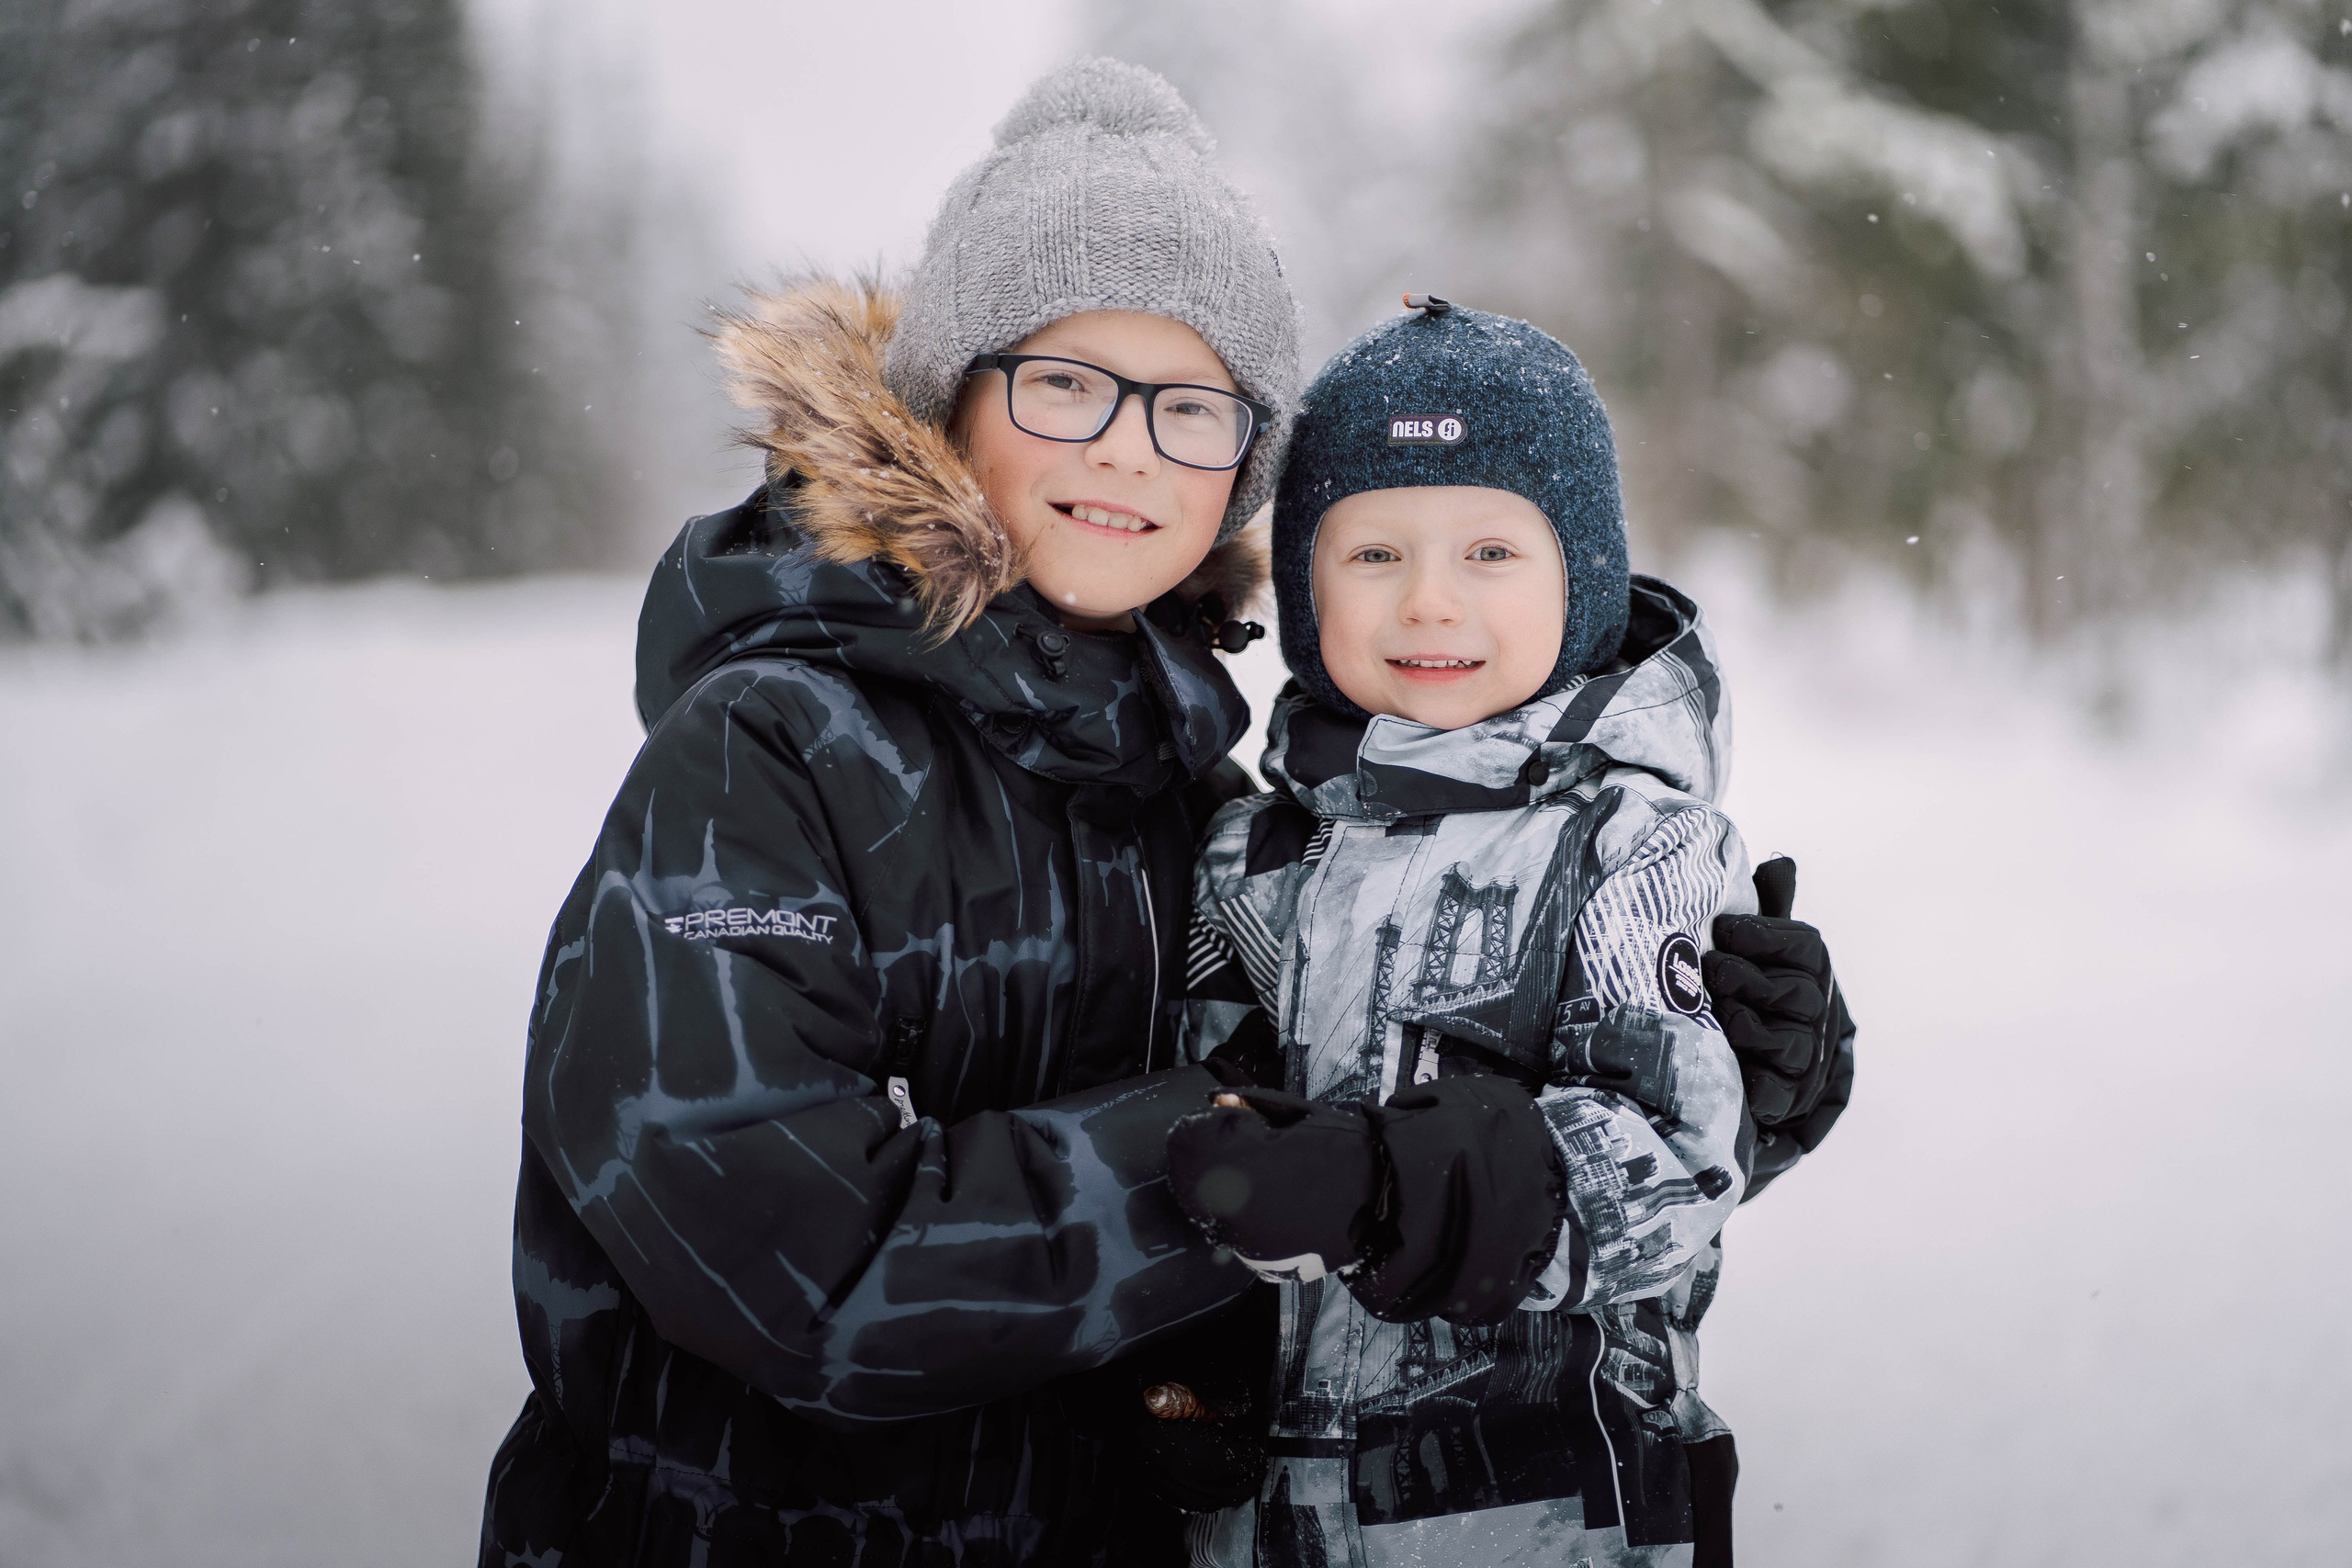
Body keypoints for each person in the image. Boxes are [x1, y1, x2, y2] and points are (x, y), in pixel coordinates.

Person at [478, 60, 1850, 1568]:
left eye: (1191, 407)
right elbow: (794, 1269)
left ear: (1240, 474)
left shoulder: (1204, 796)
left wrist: (1720, 1080)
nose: (1127, 447)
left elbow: (1431, 1177)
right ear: (948, 399)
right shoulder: (771, 753)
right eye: (1065, 382)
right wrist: (1245, 1167)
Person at [1165, 299, 1853, 1567]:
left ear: (1577, 579)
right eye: (1374, 557)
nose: (1432, 604)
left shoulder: (1630, 844)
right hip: (1257, 1519)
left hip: (1539, 1506)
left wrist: (1387, 1187)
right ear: (1307, 590)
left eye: (1491, 554)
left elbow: (1677, 1160)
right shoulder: (1246, 852)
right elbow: (1180, 1110)